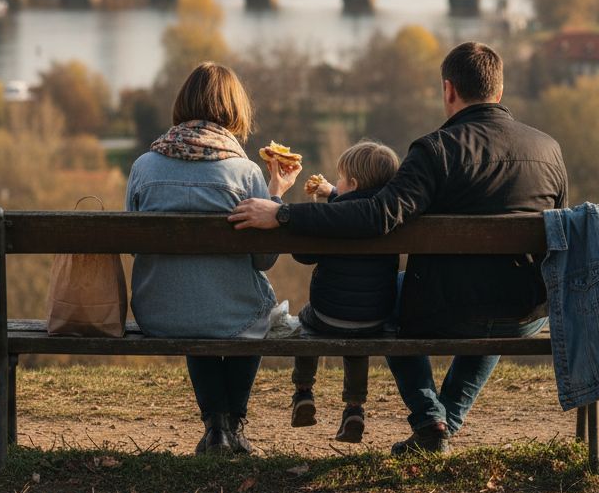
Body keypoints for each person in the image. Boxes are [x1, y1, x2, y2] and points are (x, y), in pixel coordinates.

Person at [230, 41, 567, 455]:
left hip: (450, 309)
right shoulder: (548, 150)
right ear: (499, 91)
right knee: (495, 301)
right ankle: (440, 424)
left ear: (449, 90)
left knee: (392, 298)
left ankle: (431, 419)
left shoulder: (435, 151)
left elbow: (376, 216)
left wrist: (284, 215)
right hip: (526, 309)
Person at [127, 62, 300, 456]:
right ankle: (230, 425)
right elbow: (263, 261)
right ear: (234, 109)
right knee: (255, 313)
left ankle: (216, 426)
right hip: (232, 314)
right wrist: (274, 197)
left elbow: (137, 246)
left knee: (191, 298)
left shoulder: (144, 167)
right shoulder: (245, 173)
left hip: (159, 312)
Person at [289, 141, 400, 443]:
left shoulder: (334, 216)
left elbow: (303, 255)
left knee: (304, 321)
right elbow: (359, 205)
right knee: (357, 340)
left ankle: (303, 392)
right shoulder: (390, 217)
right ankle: (354, 409)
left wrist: (315, 210)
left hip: (326, 313)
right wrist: (333, 194)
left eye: (340, 179)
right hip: (374, 317)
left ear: (352, 183)